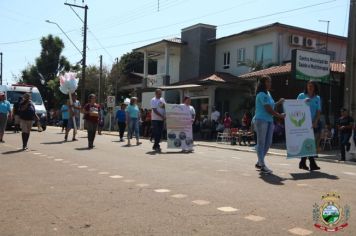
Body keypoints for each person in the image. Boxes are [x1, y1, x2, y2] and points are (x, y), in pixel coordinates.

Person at [254, 76, 285, 174]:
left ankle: (260, 161)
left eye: (270, 82)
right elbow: (268, 109)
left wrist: (278, 103)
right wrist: (280, 116)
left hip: (269, 121)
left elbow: (272, 106)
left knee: (268, 143)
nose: (269, 84)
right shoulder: (261, 94)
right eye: (267, 82)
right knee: (262, 142)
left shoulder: (268, 93)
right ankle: (262, 165)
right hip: (261, 120)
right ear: (262, 83)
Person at [297, 80, 322, 171]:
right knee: (308, 142)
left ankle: (303, 162)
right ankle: (311, 163)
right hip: (303, 123)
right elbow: (295, 107)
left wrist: (315, 122)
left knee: (310, 143)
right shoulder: (301, 96)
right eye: (309, 85)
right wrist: (303, 102)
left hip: (313, 123)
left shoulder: (317, 98)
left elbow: (319, 111)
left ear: (315, 87)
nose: (310, 87)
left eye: (312, 86)